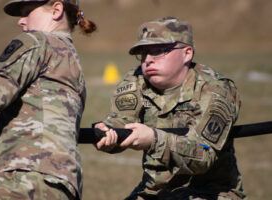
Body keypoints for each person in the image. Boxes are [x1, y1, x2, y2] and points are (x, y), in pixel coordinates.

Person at [95, 17, 247, 200]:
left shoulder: (216, 89)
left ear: (187, 53)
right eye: (143, 53)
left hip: (211, 191)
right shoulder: (136, 80)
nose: (148, 60)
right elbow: (121, 120)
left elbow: (203, 156)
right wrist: (108, 132)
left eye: (158, 51)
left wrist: (153, 139)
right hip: (155, 192)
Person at [0, 0, 96, 199]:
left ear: (56, 10)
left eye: (28, 12)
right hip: (62, 186)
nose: (21, 21)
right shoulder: (71, 61)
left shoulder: (36, 42)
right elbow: (38, 131)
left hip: (21, 180)